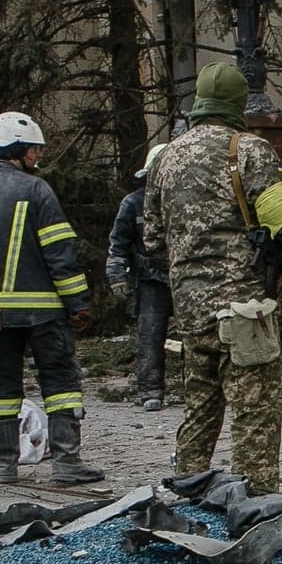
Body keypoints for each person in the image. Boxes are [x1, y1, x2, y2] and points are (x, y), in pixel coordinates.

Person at [144, 62, 282, 492]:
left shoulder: (165, 157)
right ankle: (255, 504)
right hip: (243, 307)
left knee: (200, 405)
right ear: (238, 103)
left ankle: (187, 488)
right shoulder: (250, 150)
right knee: (254, 409)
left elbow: (150, 237)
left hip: (189, 304)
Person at [0, 112, 103, 486]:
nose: (38, 156)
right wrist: (78, 304)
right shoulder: (36, 190)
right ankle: (66, 463)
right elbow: (60, 252)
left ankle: (5, 465)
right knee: (60, 385)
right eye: (34, 149)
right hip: (44, 313)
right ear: (18, 149)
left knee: (1, 387)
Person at [107, 142, 172, 411]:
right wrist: (117, 276)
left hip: (188, 276)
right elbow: (118, 243)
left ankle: (199, 390)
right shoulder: (133, 203)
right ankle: (150, 390)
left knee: (198, 337)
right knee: (150, 335)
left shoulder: (187, 202)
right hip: (151, 280)